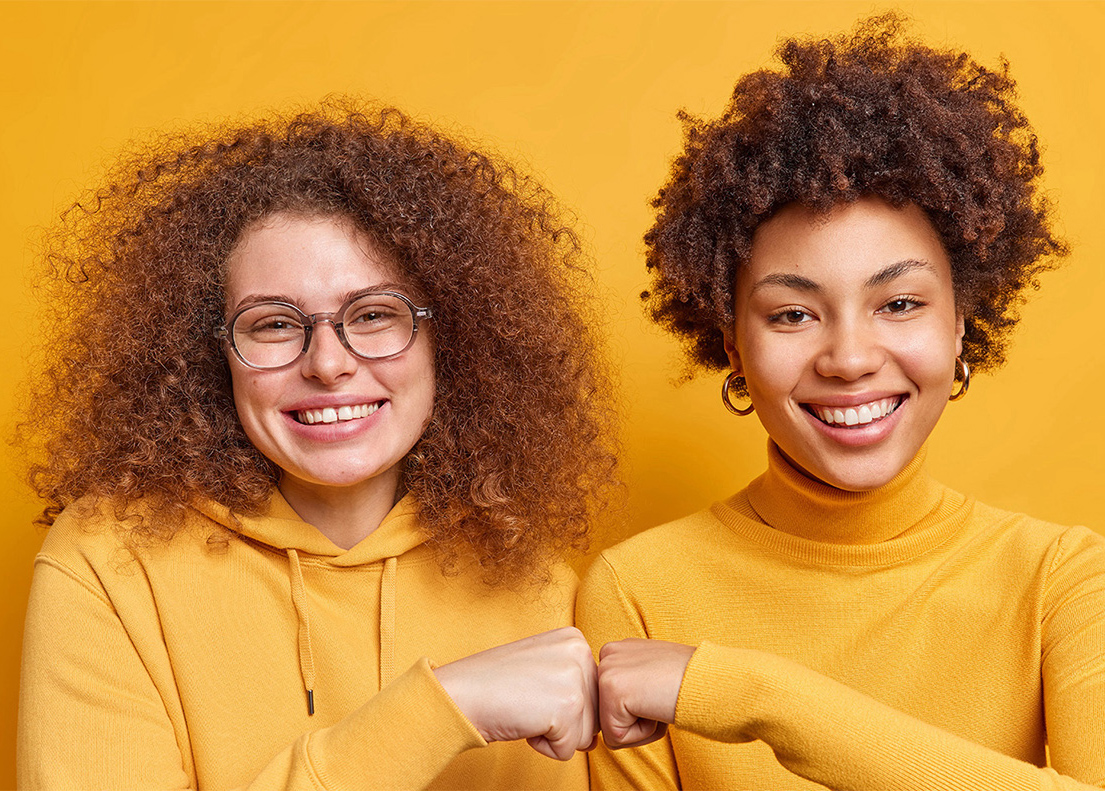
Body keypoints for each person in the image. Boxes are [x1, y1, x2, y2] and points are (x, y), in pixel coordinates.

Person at [17, 102, 614, 790]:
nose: (327, 362)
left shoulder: (536, 582)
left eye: (375, 314)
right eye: (273, 323)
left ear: (452, 339)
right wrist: (439, 708)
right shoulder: (107, 563)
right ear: (212, 353)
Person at [578, 14, 1105, 791]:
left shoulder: (1060, 580)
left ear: (961, 322)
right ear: (731, 344)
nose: (850, 358)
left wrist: (758, 697)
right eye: (792, 313)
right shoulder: (637, 592)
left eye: (898, 303)